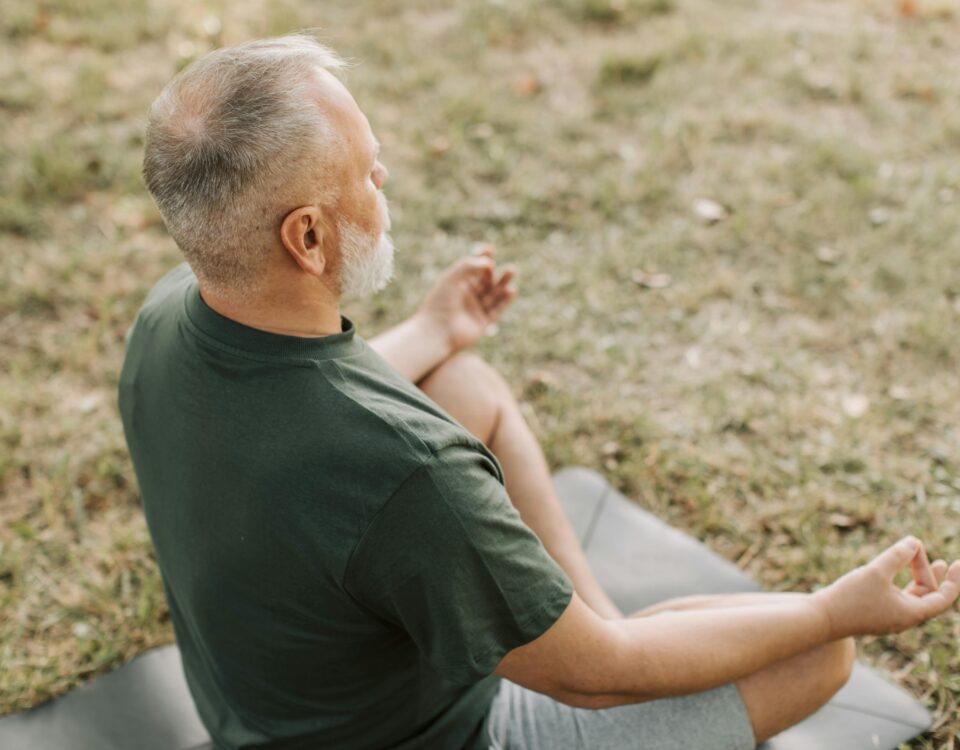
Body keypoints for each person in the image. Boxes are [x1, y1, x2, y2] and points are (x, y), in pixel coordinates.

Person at [119, 34, 960, 750]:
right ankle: (595, 623)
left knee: (463, 380)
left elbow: (294, 406)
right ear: (306, 236)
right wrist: (829, 609)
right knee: (820, 658)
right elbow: (597, 683)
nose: (386, 183)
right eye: (369, 175)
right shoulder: (407, 476)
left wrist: (433, 332)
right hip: (453, 732)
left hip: (259, 713)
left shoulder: (164, 318)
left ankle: (579, 609)